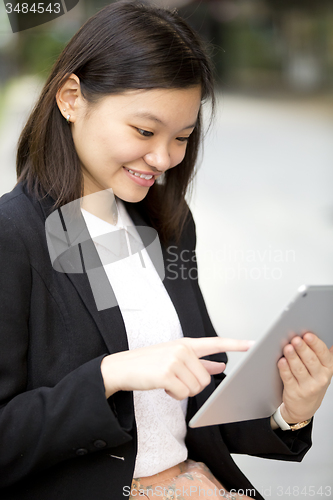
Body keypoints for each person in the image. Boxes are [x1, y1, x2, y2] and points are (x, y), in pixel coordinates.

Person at [0, 1, 332, 499]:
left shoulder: (166, 224)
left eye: (182, 136)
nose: (163, 159)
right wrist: (111, 375)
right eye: (144, 131)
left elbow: (194, 407)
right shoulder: (13, 235)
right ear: (71, 98)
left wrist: (291, 410)